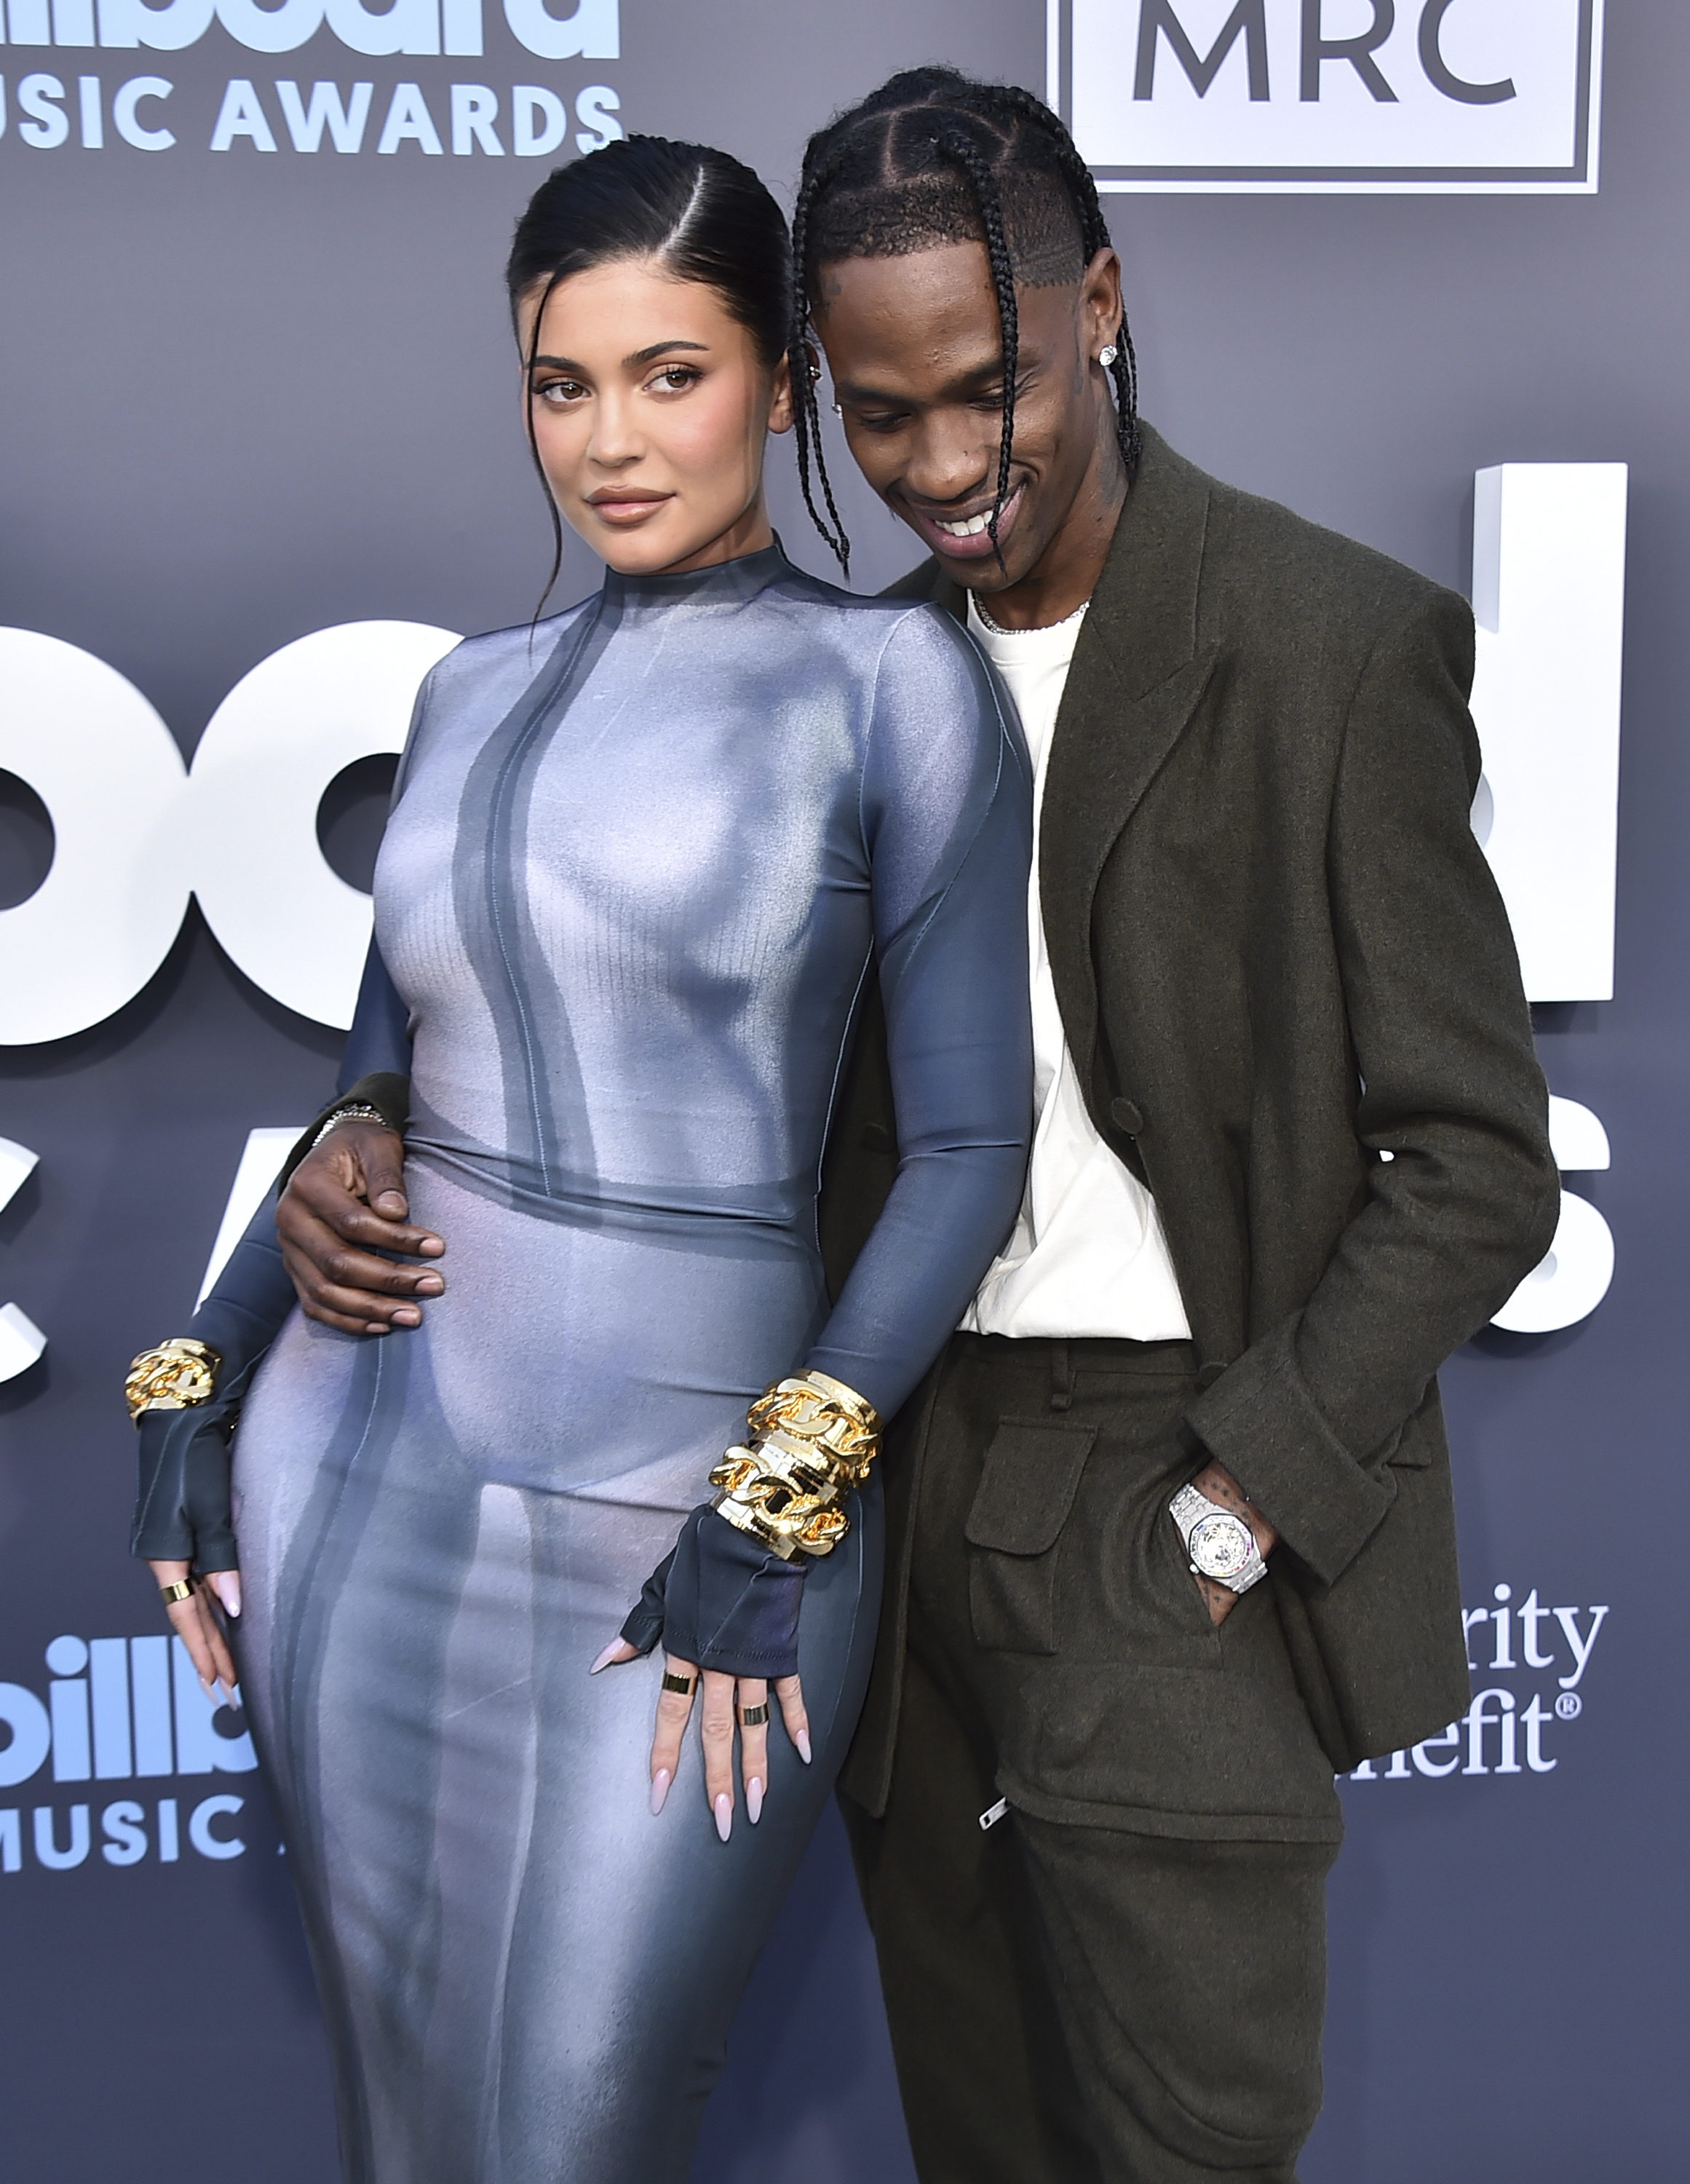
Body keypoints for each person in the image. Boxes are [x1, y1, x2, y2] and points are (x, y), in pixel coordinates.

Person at [230, 68, 1560, 2184]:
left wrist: (1237, 1501)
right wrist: (373, 1115)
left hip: (1167, 1484)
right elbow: (636, 988)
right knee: (975, 2138)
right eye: (878, 412)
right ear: (810, 397)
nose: (943, 464)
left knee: (1187, 2141)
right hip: (883, 1493)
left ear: (1100, 300)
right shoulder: (855, 663)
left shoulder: (1326, 644)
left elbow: (1476, 1154)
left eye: (986, 391)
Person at [126, 133, 1031, 2184]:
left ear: (781, 379)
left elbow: (970, 1146)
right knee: (408, 2126)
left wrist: (782, 1494)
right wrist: (199, 1373)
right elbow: (378, 1080)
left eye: (670, 375)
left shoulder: (892, 683)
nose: (610, 441)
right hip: (359, 1481)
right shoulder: (466, 693)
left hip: (692, 1503)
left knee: (572, 2132)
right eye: (563, 384)